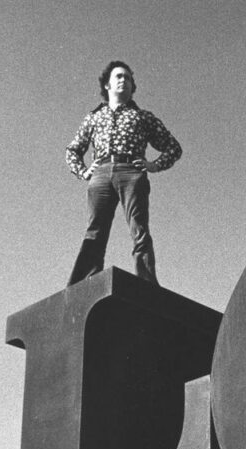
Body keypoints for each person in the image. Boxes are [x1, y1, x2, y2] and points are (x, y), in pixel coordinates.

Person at [65, 61, 182, 286]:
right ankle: (84, 282)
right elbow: (73, 150)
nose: (123, 80)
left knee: (139, 229)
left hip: (131, 172)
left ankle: (147, 282)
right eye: (118, 76)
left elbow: (173, 147)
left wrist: (154, 165)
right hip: (100, 174)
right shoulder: (93, 117)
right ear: (107, 85)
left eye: (128, 78)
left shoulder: (143, 117)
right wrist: (83, 171)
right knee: (95, 230)